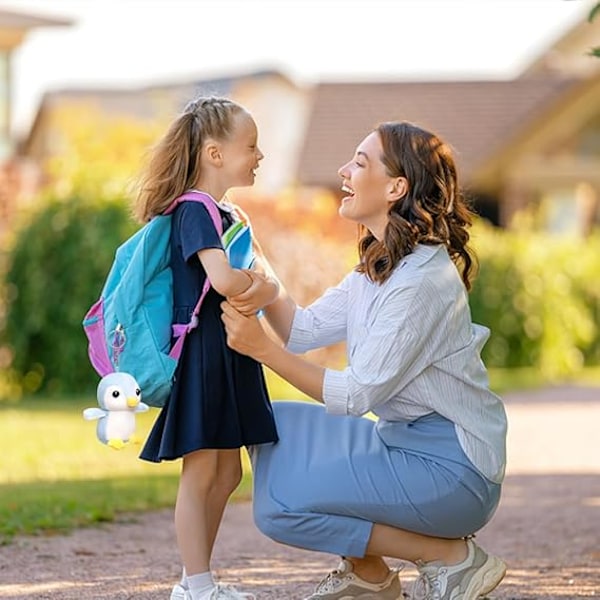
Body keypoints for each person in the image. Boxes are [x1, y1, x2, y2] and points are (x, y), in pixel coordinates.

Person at [221, 121, 508, 600]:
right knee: (269, 425)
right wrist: (255, 258)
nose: (343, 171)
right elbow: (301, 330)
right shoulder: (382, 265)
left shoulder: (421, 282)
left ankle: (449, 557)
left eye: (359, 161)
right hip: (405, 445)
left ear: (396, 187)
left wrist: (260, 349)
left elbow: (355, 395)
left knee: (280, 509)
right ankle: (368, 573)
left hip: (455, 473)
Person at [136, 96, 279, 600]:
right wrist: (258, 286)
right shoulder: (194, 209)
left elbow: (254, 282)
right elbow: (222, 279)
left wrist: (260, 287)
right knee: (202, 471)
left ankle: (196, 580)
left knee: (227, 470)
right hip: (203, 354)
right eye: (252, 146)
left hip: (229, 351)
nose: (260, 156)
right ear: (215, 154)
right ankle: (196, 585)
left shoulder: (224, 211)